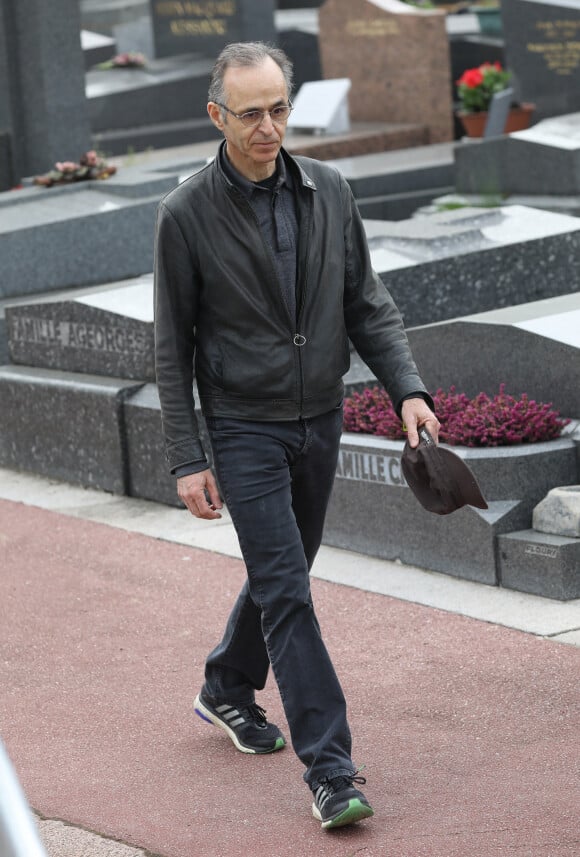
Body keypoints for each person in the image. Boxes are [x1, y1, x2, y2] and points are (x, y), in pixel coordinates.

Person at [154, 41, 440, 830]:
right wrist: (188, 457)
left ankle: (225, 685)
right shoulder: (183, 215)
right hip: (243, 426)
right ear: (217, 116)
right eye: (251, 113)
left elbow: (367, 303)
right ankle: (331, 768)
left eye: (279, 108)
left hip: (321, 416)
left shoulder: (330, 189)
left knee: (287, 570)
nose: (270, 127)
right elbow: (170, 346)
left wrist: (407, 389)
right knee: (288, 591)